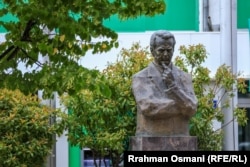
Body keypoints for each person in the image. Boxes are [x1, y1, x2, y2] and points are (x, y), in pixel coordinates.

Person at [132, 30, 198, 136]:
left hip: (181, 137)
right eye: (161, 50)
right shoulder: (140, 77)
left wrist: (173, 86)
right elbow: (149, 108)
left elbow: (192, 108)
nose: (166, 54)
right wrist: (182, 105)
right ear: (152, 50)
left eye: (169, 50)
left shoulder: (184, 77)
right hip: (150, 137)